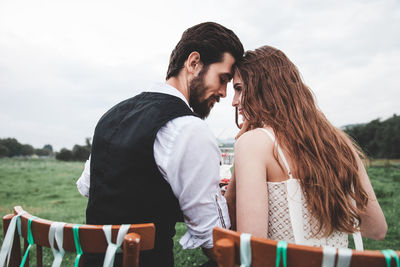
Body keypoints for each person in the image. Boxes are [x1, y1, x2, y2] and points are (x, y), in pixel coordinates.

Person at [76, 22, 244, 266]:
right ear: (194, 63)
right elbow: (214, 242)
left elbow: (90, 187)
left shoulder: (112, 115)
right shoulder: (189, 128)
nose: (224, 93)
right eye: (223, 78)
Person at [225, 45, 387, 248]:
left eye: (239, 89)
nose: (234, 101)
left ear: (264, 88)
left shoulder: (253, 143)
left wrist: (242, 150)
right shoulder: (338, 142)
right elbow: (377, 229)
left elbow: (252, 248)